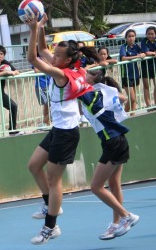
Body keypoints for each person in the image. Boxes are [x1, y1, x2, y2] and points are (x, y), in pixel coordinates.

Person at [26, 13, 96, 245]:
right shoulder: (71, 67)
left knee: (53, 179)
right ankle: (48, 203)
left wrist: (33, 29)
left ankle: (51, 226)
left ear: (65, 60)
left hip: (66, 134)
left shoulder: (61, 74)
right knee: (34, 165)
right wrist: (42, 27)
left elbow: (34, 59)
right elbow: (44, 49)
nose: (52, 56)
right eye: (54, 54)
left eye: (56, 55)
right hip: (59, 129)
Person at [80, 70, 139, 240]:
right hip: (117, 140)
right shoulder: (103, 91)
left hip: (112, 142)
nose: (83, 75)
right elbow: (122, 97)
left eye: (87, 74)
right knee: (114, 184)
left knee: (96, 187)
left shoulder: (91, 94)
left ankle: (127, 216)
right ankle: (115, 224)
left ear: (94, 79)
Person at [119, 29, 146, 113]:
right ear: (126, 38)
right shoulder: (124, 47)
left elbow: (143, 53)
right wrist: (136, 57)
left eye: (133, 36)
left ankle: (133, 115)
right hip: (126, 75)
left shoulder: (136, 46)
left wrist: (143, 54)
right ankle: (123, 114)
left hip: (135, 74)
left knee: (134, 99)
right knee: (132, 98)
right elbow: (123, 58)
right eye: (129, 36)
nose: (131, 38)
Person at [32, 49, 51, 127]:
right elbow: (36, 71)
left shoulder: (50, 58)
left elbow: (53, 68)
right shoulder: (37, 60)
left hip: (50, 85)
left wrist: (48, 65)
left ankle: (45, 122)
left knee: (49, 105)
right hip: (41, 86)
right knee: (47, 105)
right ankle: (45, 122)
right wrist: (47, 67)